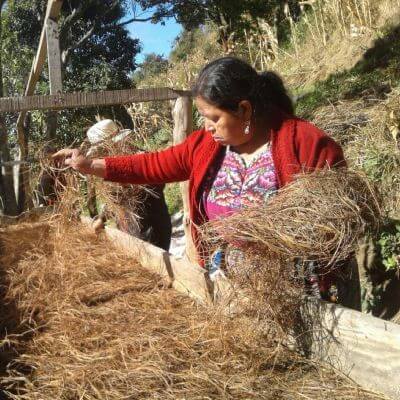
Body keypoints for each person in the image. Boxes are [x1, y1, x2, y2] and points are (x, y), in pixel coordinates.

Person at [53, 57, 346, 298]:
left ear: (244, 109)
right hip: (229, 290)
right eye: (203, 117)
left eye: (214, 118)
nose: (207, 127)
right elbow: (152, 164)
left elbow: (332, 223)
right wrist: (90, 164)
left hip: (295, 294)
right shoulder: (205, 147)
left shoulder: (307, 145)